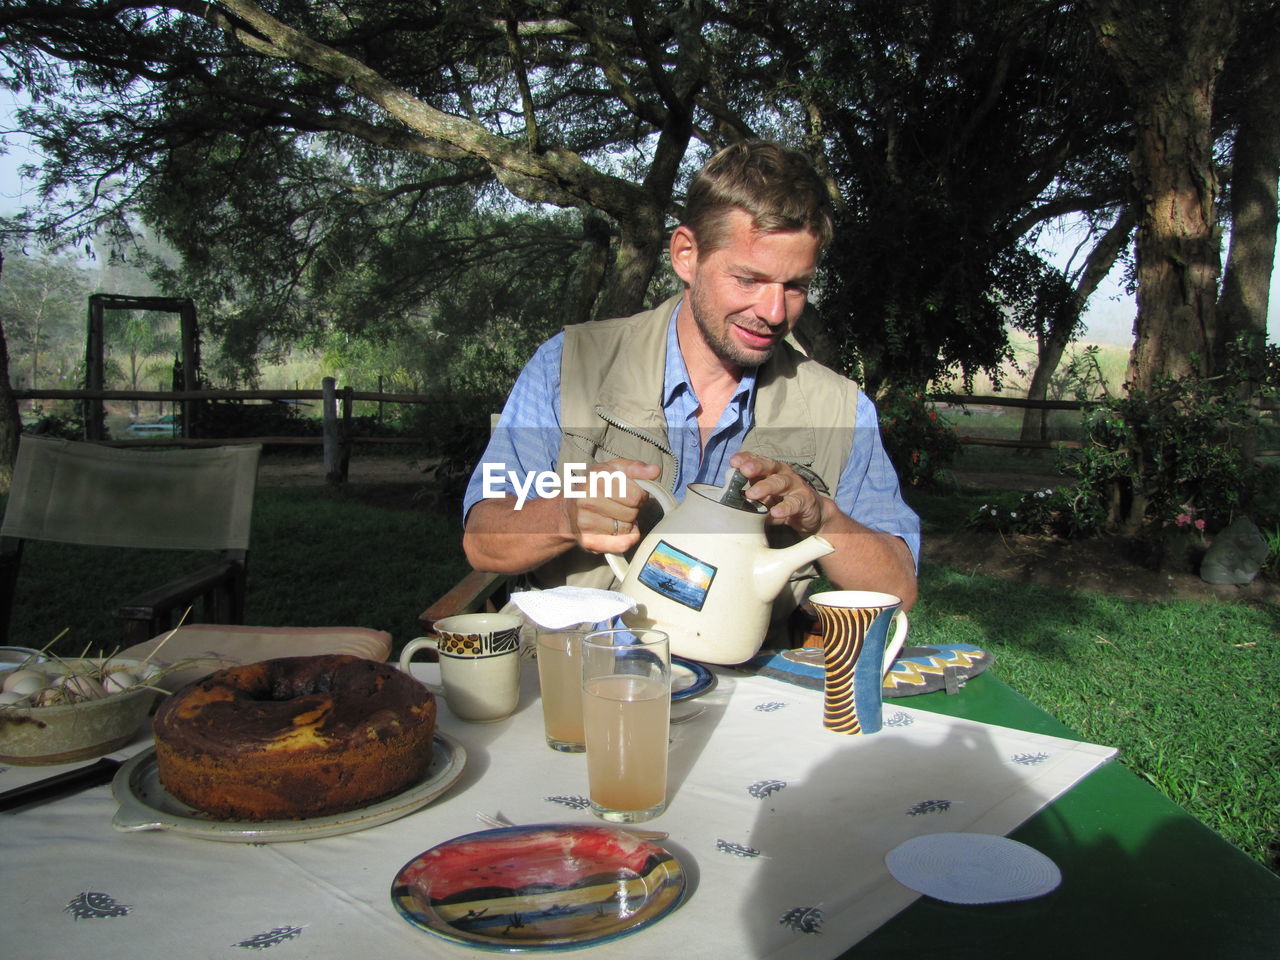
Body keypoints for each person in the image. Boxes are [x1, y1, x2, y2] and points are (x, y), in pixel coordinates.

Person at [461, 140, 919, 639]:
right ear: (686, 254)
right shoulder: (566, 366)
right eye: (748, 279)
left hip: (747, 694)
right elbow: (482, 541)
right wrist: (566, 513)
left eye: (795, 287)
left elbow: (899, 589)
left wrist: (822, 517)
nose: (773, 312)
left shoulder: (842, 410)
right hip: (578, 674)